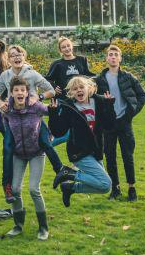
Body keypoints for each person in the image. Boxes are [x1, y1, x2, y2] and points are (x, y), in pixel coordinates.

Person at [0, 45, 61, 203]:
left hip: (34, 116)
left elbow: (51, 90)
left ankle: (61, 171)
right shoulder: (5, 75)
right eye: (13, 55)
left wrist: (39, 97)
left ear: (24, 57)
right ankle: (7, 185)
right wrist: (1, 103)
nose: (17, 57)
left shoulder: (32, 74)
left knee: (45, 142)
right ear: (8, 59)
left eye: (20, 54)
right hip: (13, 118)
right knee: (8, 148)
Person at [47, 76, 115, 207]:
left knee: (104, 187)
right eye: (74, 89)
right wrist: (54, 114)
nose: (78, 90)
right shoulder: (69, 107)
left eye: (81, 87)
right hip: (79, 152)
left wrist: (109, 106)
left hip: (96, 150)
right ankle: (69, 173)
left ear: (89, 88)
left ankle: (70, 188)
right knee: (105, 183)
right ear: (71, 93)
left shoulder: (100, 101)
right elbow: (58, 132)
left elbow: (109, 126)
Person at [94, 45, 145, 201]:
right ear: (106, 58)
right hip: (108, 123)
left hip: (124, 122)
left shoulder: (128, 76)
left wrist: (131, 113)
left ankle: (131, 188)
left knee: (127, 156)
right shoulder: (100, 79)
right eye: (110, 54)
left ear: (120, 58)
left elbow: (142, 95)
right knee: (110, 156)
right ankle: (115, 188)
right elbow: (93, 97)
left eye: (116, 54)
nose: (113, 57)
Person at [2, 77, 50, 241]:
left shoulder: (35, 107)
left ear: (27, 92)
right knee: (15, 189)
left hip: (36, 152)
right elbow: (7, 132)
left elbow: (52, 112)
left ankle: (43, 227)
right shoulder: (7, 111)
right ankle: (18, 225)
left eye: (23, 90)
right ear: (12, 93)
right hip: (18, 154)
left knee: (33, 189)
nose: (20, 93)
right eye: (16, 90)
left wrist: (47, 134)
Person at [45, 37, 95, 147]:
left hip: (80, 101)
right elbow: (47, 79)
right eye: (63, 47)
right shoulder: (57, 64)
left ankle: (77, 154)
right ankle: (47, 145)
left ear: (72, 46)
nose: (67, 48)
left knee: (80, 129)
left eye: (68, 45)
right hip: (64, 101)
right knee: (63, 130)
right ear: (60, 50)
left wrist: (100, 79)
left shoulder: (82, 60)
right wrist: (53, 87)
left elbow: (88, 75)